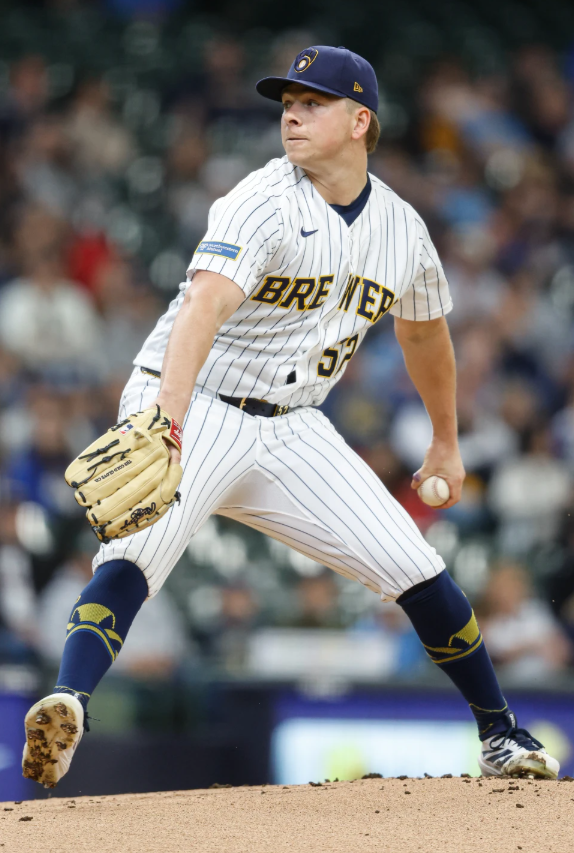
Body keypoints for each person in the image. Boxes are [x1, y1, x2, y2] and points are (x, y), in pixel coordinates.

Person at [23, 45, 558, 787]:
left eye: (312, 103)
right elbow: (202, 307)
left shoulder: (402, 229)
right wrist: (166, 423)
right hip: (195, 399)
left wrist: (444, 440)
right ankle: (69, 701)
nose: (292, 116)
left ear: (360, 120)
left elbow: (424, 333)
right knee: (137, 554)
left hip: (293, 425)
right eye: (287, 104)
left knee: (415, 567)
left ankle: (500, 735)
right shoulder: (262, 201)